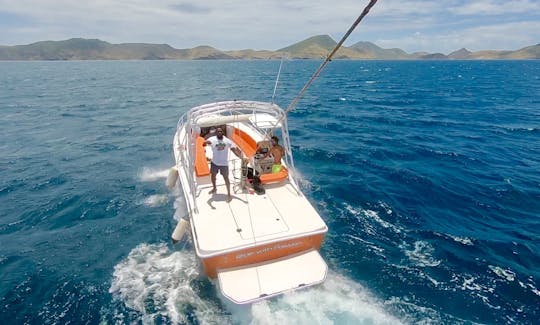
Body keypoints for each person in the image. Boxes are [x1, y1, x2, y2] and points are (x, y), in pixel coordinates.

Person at [205, 127, 243, 201]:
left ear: (222, 132)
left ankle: (229, 194)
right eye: (218, 131)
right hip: (214, 163)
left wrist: (241, 157)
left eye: (220, 131)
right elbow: (204, 143)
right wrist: (206, 142)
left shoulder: (227, 141)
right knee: (213, 177)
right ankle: (214, 188)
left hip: (224, 164)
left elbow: (234, 150)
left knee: (226, 179)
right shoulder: (212, 139)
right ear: (216, 132)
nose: (219, 132)